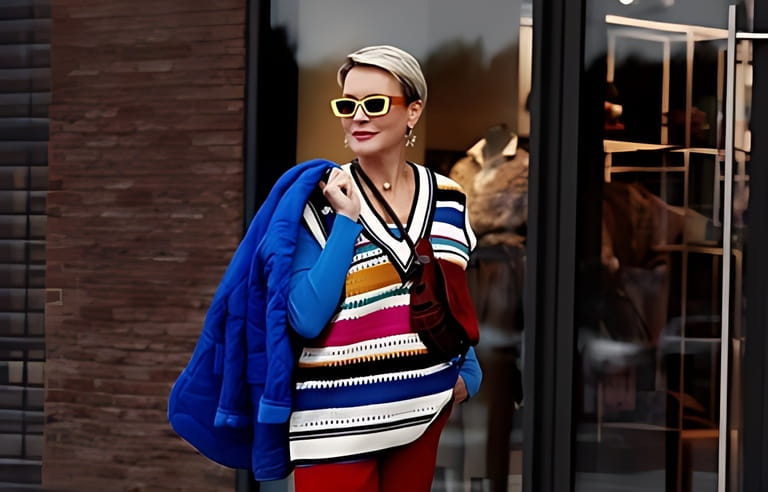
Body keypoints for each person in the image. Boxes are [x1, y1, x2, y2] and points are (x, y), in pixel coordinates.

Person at [286, 45, 482, 492]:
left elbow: (451, 294)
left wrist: (466, 374)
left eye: (374, 104)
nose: (358, 116)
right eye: (347, 104)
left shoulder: (449, 197)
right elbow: (305, 315)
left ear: (412, 112)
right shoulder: (316, 197)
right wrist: (346, 222)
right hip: (333, 425)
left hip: (420, 413)